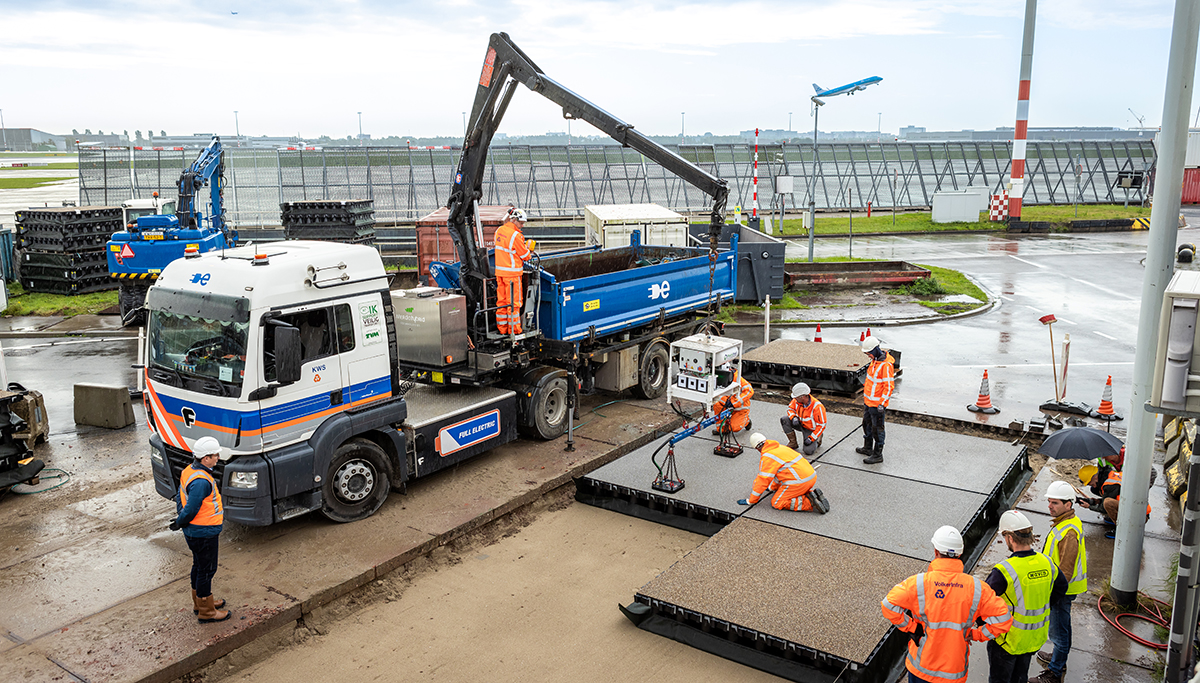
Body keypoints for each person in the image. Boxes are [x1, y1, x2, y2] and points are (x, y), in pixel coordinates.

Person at [882, 525, 1012, 683]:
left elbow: (889, 605)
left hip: (921, 668)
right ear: (960, 553)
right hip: (954, 672)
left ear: (936, 551)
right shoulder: (977, 588)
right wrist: (977, 634)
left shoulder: (918, 583)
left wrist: (912, 627)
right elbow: (1004, 619)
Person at [986, 510, 1067, 683]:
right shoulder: (1047, 562)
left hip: (1007, 640)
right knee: (1020, 677)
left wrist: (981, 625)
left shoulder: (1005, 570)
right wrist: (1044, 603)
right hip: (1034, 638)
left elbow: (983, 600)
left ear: (1009, 538)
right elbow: (1062, 587)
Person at [1029, 481, 1088, 683]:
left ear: (1068, 505)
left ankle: (1054, 671)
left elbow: (1066, 570)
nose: (1050, 506)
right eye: (1050, 502)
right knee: (1062, 627)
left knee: (1059, 631)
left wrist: (1053, 594)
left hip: (1062, 590)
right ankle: (1057, 658)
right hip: (1063, 587)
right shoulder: (1065, 523)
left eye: (1055, 503)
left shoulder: (1069, 532)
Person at [169, 436, 231, 623]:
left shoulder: (190, 471)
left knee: (198, 565)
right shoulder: (202, 482)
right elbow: (191, 508)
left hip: (195, 532)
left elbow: (181, 499)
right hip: (203, 532)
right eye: (215, 455)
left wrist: (181, 522)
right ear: (205, 458)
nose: (217, 458)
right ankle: (207, 612)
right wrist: (180, 521)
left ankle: (201, 602)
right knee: (207, 570)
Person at [735, 432, 829, 513]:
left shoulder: (768, 457)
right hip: (811, 476)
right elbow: (778, 473)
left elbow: (762, 480)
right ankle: (812, 494)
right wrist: (772, 488)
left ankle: (810, 502)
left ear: (756, 448)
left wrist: (751, 501)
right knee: (786, 481)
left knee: (777, 503)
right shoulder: (780, 447)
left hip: (799, 482)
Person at [1077, 464, 1149, 539]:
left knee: (1107, 503)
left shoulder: (1110, 485)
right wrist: (1094, 501)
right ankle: (1118, 517)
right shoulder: (1108, 475)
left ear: (1095, 477)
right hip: (1135, 508)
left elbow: (1104, 508)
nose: (1091, 485)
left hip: (1139, 516)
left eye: (1089, 483)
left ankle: (1123, 530)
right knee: (1097, 491)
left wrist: (1089, 506)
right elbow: (1115, 497)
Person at [493, 207, 534, 335]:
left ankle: (503, 329)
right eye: (521, 223)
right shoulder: (516, 236)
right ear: (514, 220)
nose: (522, 226)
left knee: (502, 302)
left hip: (500, 274)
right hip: (512, 275)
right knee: (514, 304)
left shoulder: (499, 231)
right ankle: (515, 330)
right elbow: (525, 256)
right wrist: (529, 250)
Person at [857, 335, 894, 465]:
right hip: (869, 402)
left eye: (868, 353)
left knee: (877, 429)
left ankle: (878, 454)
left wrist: (882, 404)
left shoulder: (885, 365)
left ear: (874, 350)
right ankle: (868, 448)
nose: (868, 355)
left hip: (877, 405)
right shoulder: (875, 361)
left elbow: (888, 386)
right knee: (866, 425)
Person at [780, 382, 826, 455]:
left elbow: (821, 425)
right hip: (800, 423)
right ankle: (793, 443)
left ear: (802, 397)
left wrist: (811, 438)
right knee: (784, 419)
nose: (794, 398)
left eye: (796, 397)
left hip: (810, 429)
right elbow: (790, 409)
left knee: (808, 451)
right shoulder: (796, 401)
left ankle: (818, 438)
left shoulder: (817, 407)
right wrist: (793, 417)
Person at [712, 367, 754, 435]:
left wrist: (734, 403)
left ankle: (747, 421)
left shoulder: (738, 379)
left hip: (740, 409)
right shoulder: (719, 377)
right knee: (717, 404)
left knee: (735, 428)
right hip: (726, 404)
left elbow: (749, 390)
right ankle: (722, 429)